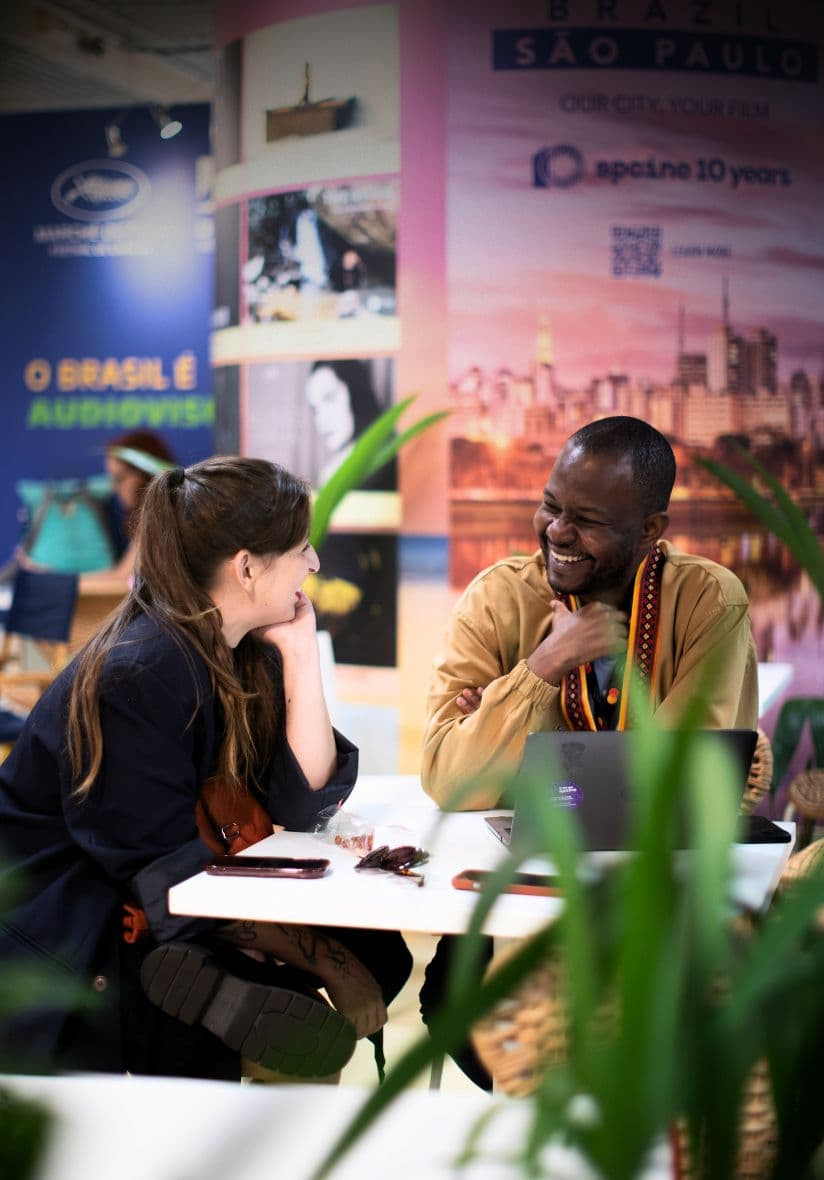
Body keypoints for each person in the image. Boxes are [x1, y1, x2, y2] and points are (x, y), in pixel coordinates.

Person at [0, 456, 411, 1080]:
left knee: (382, 957)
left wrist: (300, 653)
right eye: (300, 548)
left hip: (171, 888)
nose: (313, 562)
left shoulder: (240, 649)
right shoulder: (140, 673)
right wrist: (325, 959)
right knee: (311, 1029)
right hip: (80, 924)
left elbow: (304, 803)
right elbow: (166, 877)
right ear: (246, 568)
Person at [419, 415, 759, 1086]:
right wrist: (543, 666)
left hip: (655, 913)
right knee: (466, 1012)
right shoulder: (497, 598)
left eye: (588, 520)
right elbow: (450, 780)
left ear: (651, 529)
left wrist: (503, 729)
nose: (556, 531)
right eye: (551, 505)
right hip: (513, 913)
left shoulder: (708, 602)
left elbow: (677, 788)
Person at [80, 429, 177, 590]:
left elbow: (122, 578)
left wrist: (54, 583)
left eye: (118, 478)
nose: (113, 488)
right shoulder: (159, 513)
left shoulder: (160, 517)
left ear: (144, 475)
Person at [306, 359, 395, 489]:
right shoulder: (333, 470)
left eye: (329, 398)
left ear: (355, 390)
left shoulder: (388, 454)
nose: (321, 421)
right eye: (315, 409)